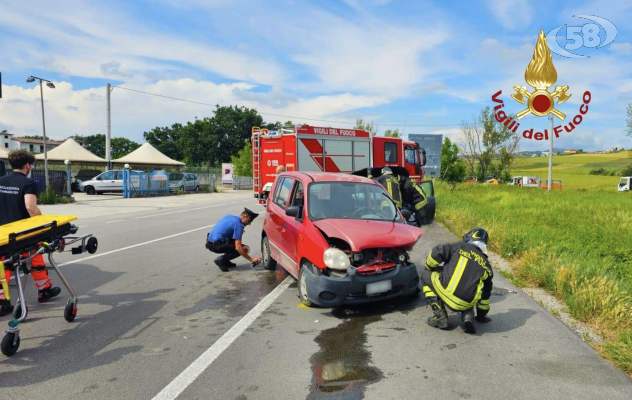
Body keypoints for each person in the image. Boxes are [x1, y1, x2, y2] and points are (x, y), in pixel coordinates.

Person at [0, 150, 62, 316]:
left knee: (3, 263)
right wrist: (41, 221)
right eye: (31, 164)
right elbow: (30, 207)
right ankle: (44, 290)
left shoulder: (0, 181)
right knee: (36, 254)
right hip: (21, 234)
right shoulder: (28, 183)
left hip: (2, 232)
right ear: (27, 165)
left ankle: (2, 301)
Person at [420, 227, 493, 333]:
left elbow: (437, 252)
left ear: (469, 236)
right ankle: (468, 315)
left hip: (446, 292)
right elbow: (485, 298)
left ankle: (440, 317)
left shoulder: (461, 246)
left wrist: (429, 267)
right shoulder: (487, 266)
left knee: (425, 275)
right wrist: (481, 317)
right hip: (466, 303)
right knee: (472, 287)